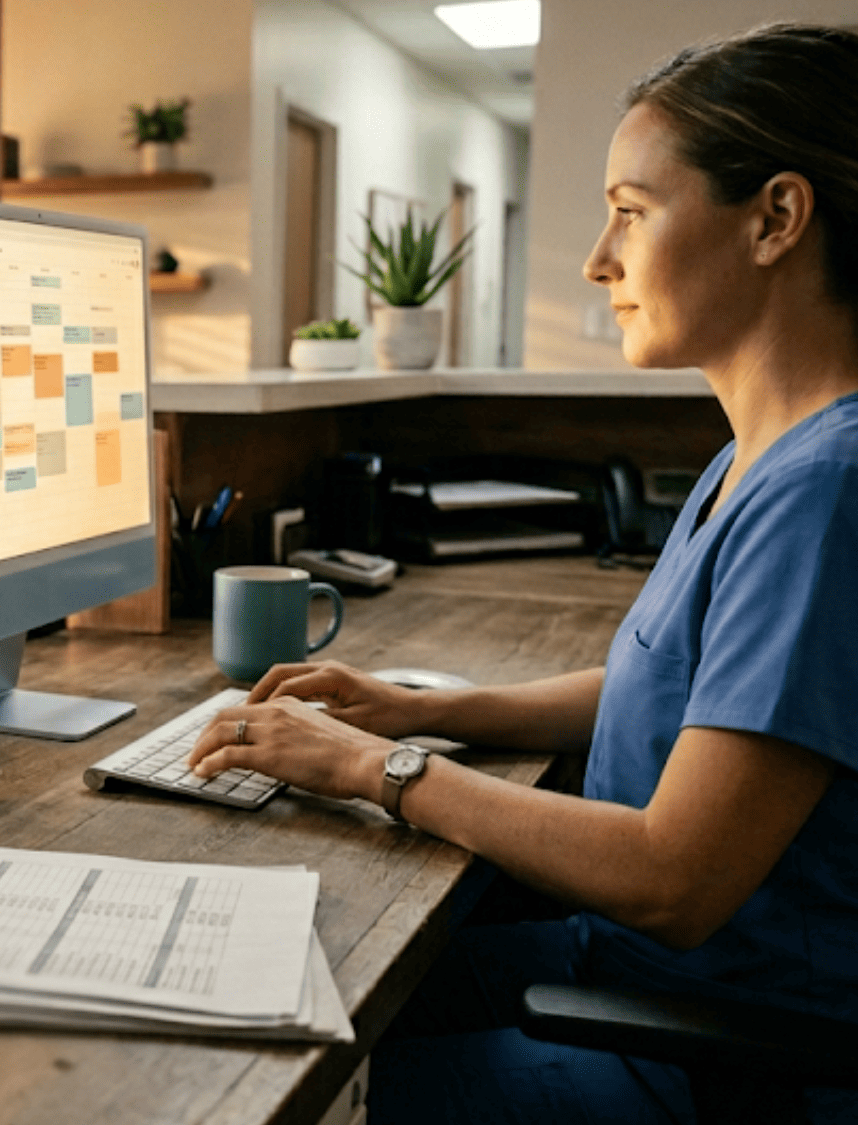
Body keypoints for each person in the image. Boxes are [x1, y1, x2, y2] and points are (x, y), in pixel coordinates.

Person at [189, 23, 858, 1124]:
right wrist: (411, 709)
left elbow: (672, 877)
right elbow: (678, 693)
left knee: (252, 1092)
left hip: (720, 1055)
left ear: (774, 219)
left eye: (629, 213)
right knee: (272, 996)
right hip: (630, 969)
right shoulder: (756, 452)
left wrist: (373, 770)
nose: (598, 258)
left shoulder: (823, 492)